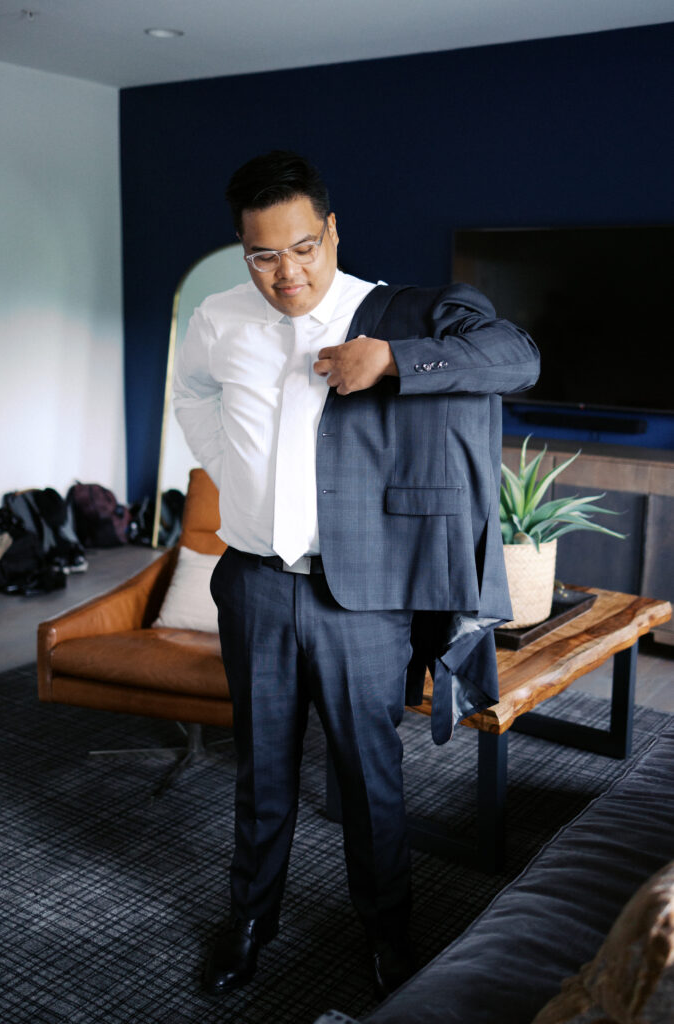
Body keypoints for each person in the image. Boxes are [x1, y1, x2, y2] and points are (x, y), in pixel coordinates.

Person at [173, 150, 540, 1000]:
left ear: (330, 231)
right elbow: (192, 394)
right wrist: (230, 467)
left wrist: (393, 363)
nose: (286, 272)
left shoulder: (397, 313)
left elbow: (514, 355)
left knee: (368, 774)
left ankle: (386, 932)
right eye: (263, 255)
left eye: (303, 247)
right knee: (261, 770)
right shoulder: (218, 319)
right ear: (242, 251)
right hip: (255, 581)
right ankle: (250, 920)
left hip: (359, 595)